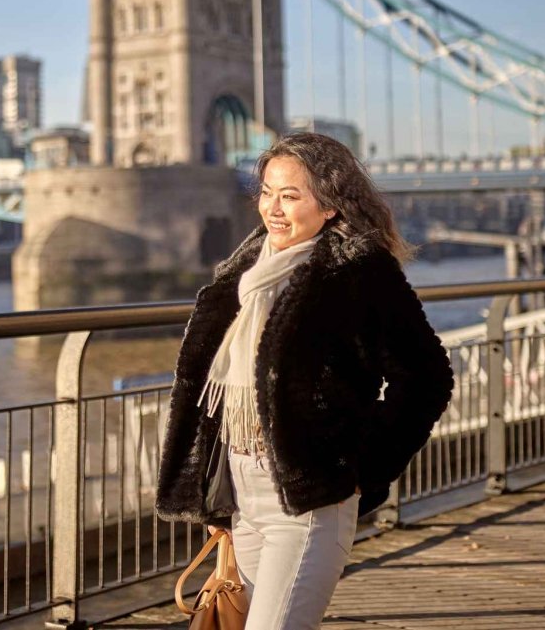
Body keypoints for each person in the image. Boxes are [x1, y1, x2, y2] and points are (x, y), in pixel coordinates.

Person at [155, 132, 454, 628]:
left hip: (311, 500)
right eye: (267, 192)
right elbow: (210, 389)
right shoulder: (244, 269)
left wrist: (359, 467)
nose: (273, 208)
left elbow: (427, 378)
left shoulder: (358, 271)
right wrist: (212, 487)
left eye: (290, 196)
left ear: (332, 206)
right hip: (241, 498)